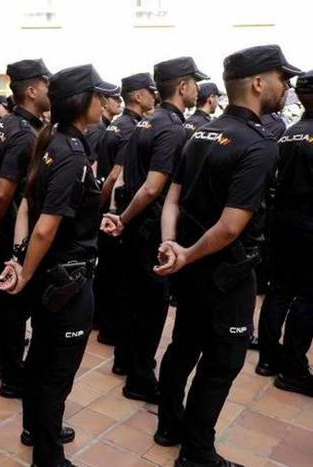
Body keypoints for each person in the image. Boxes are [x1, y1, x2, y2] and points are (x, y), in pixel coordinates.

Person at [152, 44, 299, 466]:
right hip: (224, 274)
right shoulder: (258, 145)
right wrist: (183, 253)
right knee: (222, 363)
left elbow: (172, 200)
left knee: (183, 346)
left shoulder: (198, 132)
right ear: (257, 82)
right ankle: (196, 452)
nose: (285, 86)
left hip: (190, 267)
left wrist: (172, 247)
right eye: (280, 77)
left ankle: (169, 427)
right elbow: (232, 226)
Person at [0, 64, 116, 467]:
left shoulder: (55, 142)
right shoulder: (70, 153)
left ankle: (38, 428)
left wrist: (19, 260)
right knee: (56, 373)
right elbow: (44, 227)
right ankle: (49, 456)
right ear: (82, 102)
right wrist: (24, 270)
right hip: (65, 280)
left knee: (42, 362)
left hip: (52, 276)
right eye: (99, 96)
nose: (104, 103)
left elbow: (32, 209)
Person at [102, 56, 208, 404]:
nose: (196, 89)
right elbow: (151, 188)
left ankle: (125, 363)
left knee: (134, 301)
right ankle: (141, 378)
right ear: (182, 87)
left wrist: (122, 217)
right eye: (193, 83)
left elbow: (121, 178)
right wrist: (124, 219)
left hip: (137, 227)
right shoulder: (171, 129)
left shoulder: (147, 123)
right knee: (150, 308)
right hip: (147, 225)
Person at [0, 59, 52, 398]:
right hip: (13, 230)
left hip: (5, 225)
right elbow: (5, 190)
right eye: (45, 84)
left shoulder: (2, 126)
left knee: (5, 304)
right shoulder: (24, 133)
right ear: (31, 90)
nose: (50, 90)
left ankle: (4, 365)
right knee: (14, 305)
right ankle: (11, 375)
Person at [93, 73, 158, 355]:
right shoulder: (131, 127)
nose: (154, 96)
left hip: (110, 206)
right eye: (150, 91)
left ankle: (103, 323)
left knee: (108, 271)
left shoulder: (116, 125)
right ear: (139, 96)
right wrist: (110, 211)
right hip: (117, 208)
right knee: (119, 277)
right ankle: (111, 329)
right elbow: (115, 175)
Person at [258, 70, 313, 396]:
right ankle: (293, 368)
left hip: (282, 224)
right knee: (308, 297)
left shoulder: (290, 133)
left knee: (279, 290)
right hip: (308, 227)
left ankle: (267, 358)